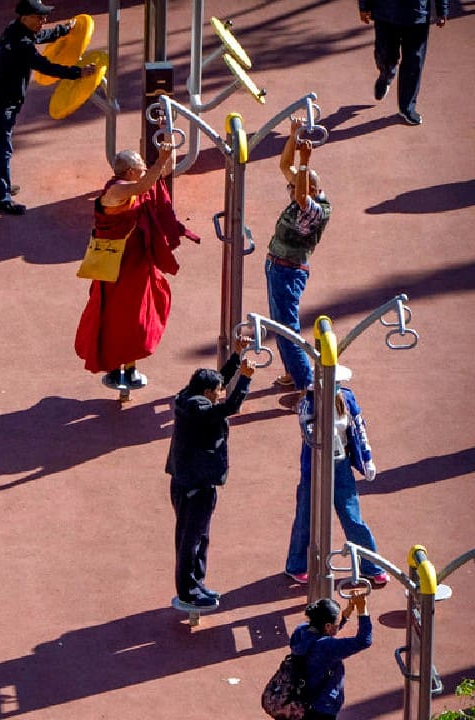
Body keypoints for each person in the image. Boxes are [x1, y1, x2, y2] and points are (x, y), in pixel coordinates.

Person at [74, 142, 198, 389]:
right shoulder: (116, 193)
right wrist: (159, 160)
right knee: (114, 317)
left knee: (137, 317)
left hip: (138, 261)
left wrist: (169, 140)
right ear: (129, 172)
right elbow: (145, 183)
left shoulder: (136, 185)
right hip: (115, 267)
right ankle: (112, 366)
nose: (144, 170)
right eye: (141, 167)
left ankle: (130, 368)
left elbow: (162, 172)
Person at [0, 0, 97, 215]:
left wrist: (64, 30)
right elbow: (45, 66)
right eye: (39, 17)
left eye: (44, 17)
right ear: (25, 18)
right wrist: (78, 72)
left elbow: (41, 36)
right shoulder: (22, 44)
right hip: (2, 101)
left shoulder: (14, 29)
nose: (44, 21)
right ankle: (0, 197)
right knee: (2, 148)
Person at [165, 346, 254, 607]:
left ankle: (196, 584)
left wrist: (236, 358)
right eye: (217, 391)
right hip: (196, 486)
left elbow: (219, 380)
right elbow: (231, 406)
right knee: (190, 541)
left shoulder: (188, 396)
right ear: (207, 394)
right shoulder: (200, 410)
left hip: (189, 481)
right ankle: (188, 592)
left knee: (198, 537)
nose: (221, 391)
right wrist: (246, 378)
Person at [284, 368, 388, 587]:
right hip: (315, 466)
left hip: (340, 466)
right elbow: (308, 431)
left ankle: (370, 565)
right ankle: (296, 565)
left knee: (352, 517)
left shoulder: (347, 398)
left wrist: (367, 458)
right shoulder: (308, 403)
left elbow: (359, 429)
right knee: (306, 517)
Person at [265, 118, 331, 393]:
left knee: (287, 326)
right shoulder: (303, 190)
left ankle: (307, 386)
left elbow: (303, 197)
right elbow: (284, 165)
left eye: (296, 187)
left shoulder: (316, 209)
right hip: (278, 267)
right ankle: (294, 372)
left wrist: (305, 160)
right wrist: (293, 137)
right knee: (281, 326)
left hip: (288, 271)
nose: (291, 191)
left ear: (313, 190)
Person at [360, 0, 448, 126]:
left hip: (417, 14)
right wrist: (364, 6)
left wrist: (442, 9)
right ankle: (386, 75)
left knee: (414, 62)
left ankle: (407, 107)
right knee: (385, 56)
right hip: (385, 13)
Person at [289, 594, 373, 719]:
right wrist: (362, 609)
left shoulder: (302, 631)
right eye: (337, 622)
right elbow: (363, 641)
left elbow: (327, 631)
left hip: (305, 699)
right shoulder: (326, 647)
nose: (339, 624)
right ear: (327, 626)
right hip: (323, 707)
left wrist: (348, 610)